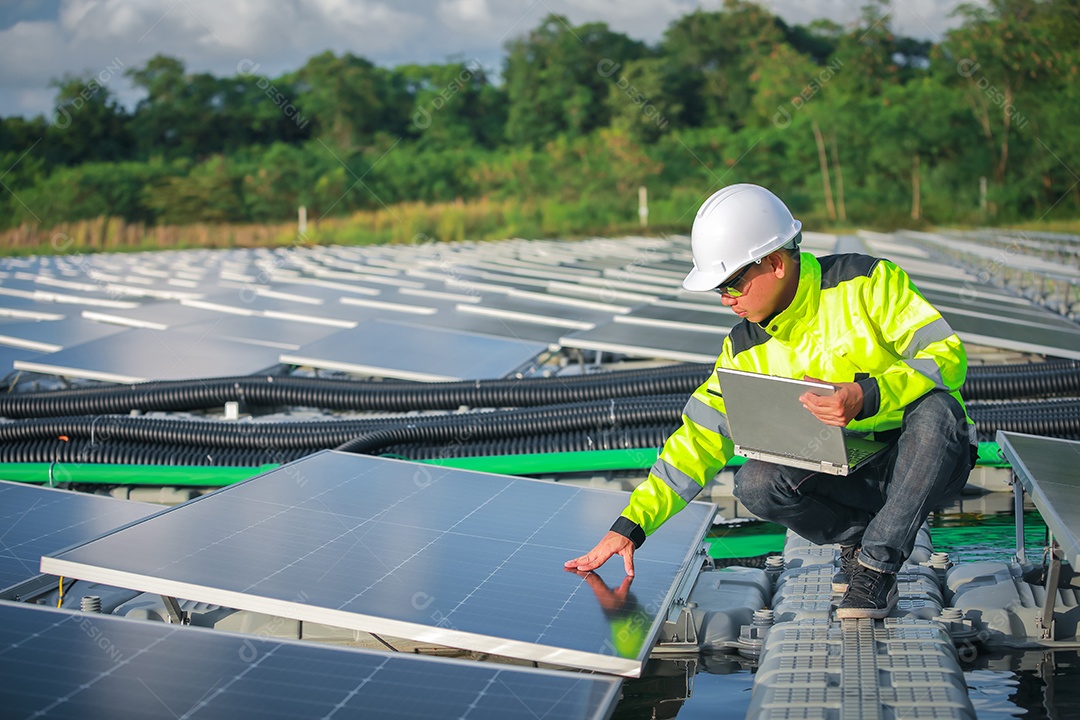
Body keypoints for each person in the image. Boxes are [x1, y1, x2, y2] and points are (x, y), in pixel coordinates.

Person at [565, 183, 977, 619]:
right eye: (718, 291)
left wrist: (867, 395)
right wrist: (631, 526)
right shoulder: (743, 349)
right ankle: (858, 539)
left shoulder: (867, 283)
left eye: (732, 285)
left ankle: (875, 568)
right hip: (846, 475)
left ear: (776, 263)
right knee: (756, 483)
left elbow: (947, 357)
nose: (727, 301)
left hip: (922, 464)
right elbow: (699, 437)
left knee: (937, 413)